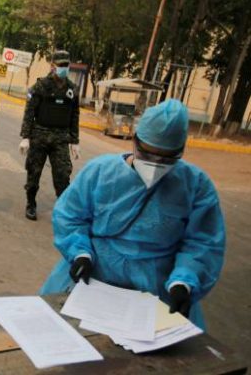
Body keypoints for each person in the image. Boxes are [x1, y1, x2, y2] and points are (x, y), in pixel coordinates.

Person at [39, 99, 225, 329]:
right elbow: (70, 215)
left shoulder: (195, 186)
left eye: (166, 159)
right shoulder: (100, 172)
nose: (155, 165)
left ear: (181, 152)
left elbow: (203, 242)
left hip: (156, 287)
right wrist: (80, 254)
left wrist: (184, 281)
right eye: (148, 155)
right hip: (93, 275)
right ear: (135, 141)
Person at [19, 50, 80, 221]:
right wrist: (26, 136)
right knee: (33, 172)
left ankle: (63, 209)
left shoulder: (72, 89)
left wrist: (74, 141)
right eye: (60, 65)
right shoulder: (40, 86)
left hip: (61, 138)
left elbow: (75, 115)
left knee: (63, 175)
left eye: (66, 65)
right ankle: (31, 204)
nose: (63, 68)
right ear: (52, 66)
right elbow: (29, 111)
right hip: (40, 134)